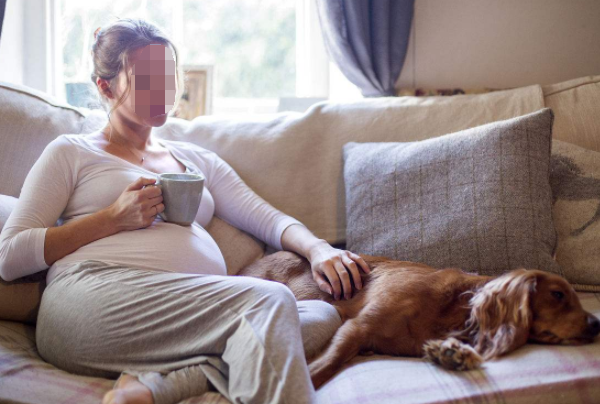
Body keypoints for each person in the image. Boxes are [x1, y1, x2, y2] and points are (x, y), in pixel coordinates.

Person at [0, 17, 371, 404]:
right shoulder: (72, 151)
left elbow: (265, 217)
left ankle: (155, 388)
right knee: (272, 303)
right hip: (91, 301)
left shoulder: (196, 160)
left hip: (184, 317)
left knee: (320, 316)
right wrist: (112, 218)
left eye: (167, 76)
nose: (162, 90)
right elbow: (10, 255)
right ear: (105, 87)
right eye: (144, 78)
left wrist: (318, 249)